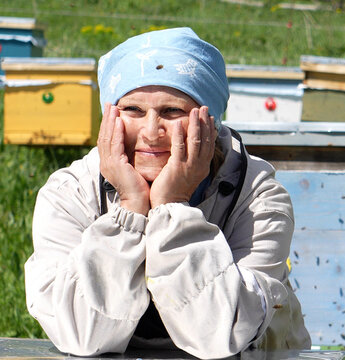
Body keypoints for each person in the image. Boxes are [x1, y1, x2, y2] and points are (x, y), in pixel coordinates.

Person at [24, 27, 311, 359]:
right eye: (132, 110)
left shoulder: (258, 199)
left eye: (172, 111)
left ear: (211, 122)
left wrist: (173, 206)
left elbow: (221, 334)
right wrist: (131, 208)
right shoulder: (69, 193)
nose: (150, 132)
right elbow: (82, 334)